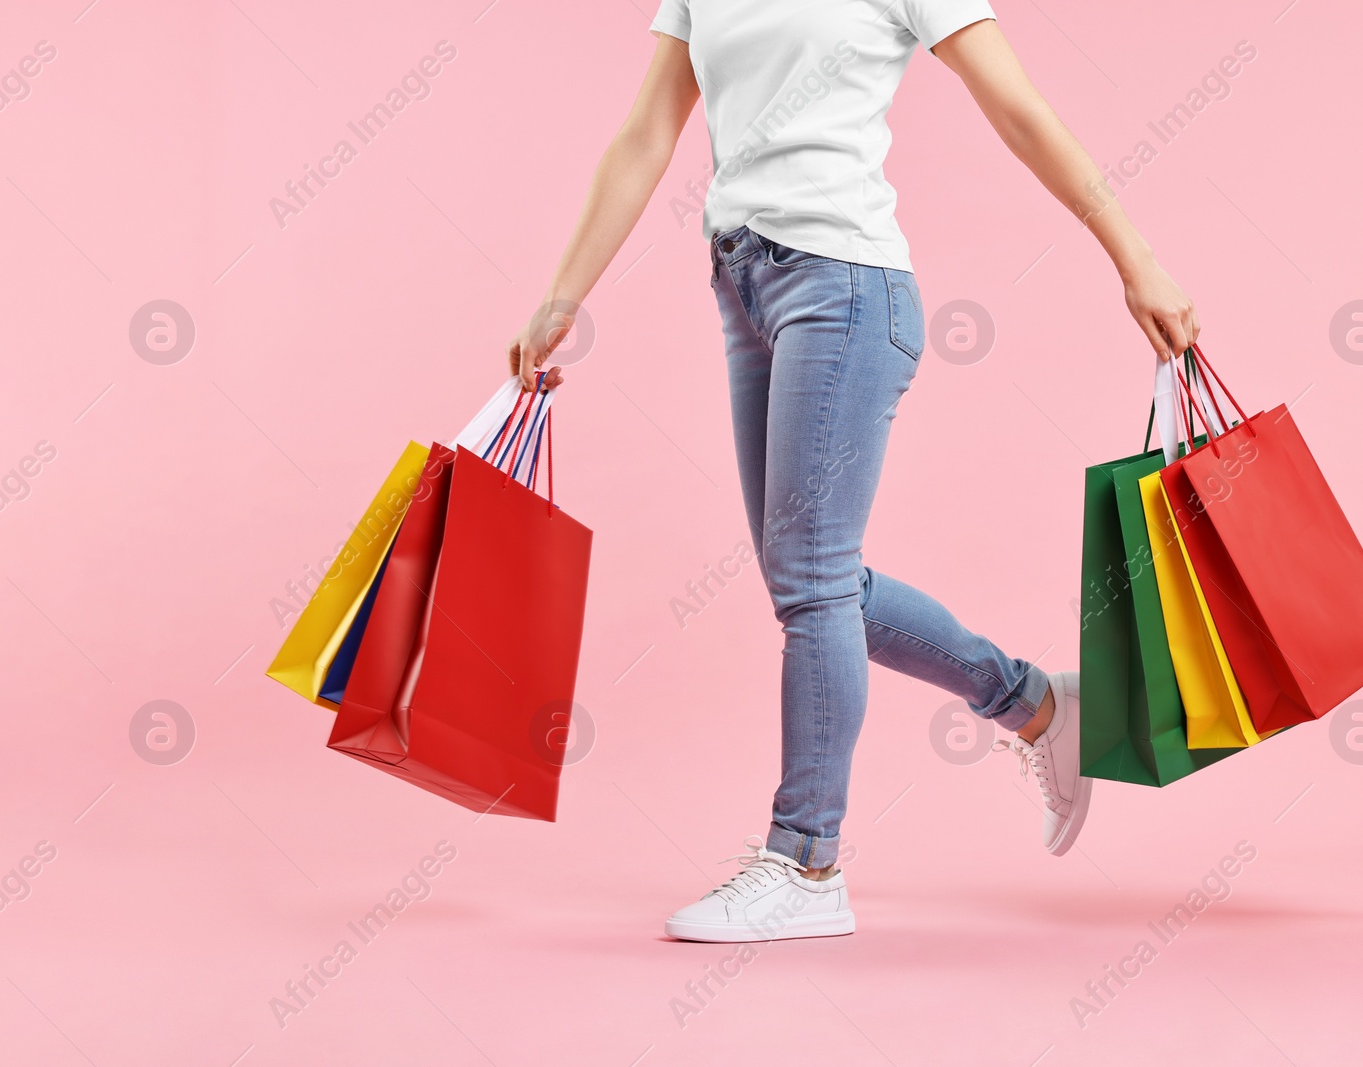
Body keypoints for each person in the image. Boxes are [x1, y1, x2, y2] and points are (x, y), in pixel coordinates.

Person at [507, 1, 1200, 943]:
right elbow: (645, 135)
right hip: (744, 283)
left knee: (812, 584)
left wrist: (1137, 259)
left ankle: (807, 861)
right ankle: (1044, 705)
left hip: (843, 286)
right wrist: (563, 293)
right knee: (818, 583)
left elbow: (1020, 110)